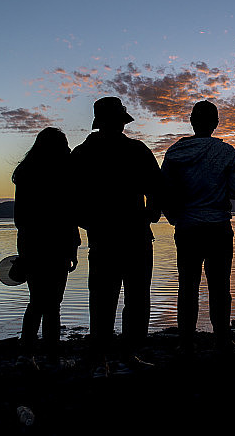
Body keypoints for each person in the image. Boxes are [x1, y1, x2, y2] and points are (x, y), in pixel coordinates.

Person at [71, 97, 162, 353]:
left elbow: (71, 200)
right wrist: (149, 215)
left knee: (104, 301)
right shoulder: (135, 150)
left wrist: (90, 223)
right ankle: (127, 354)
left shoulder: (82, 153)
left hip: (108, 239)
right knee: (135, 300)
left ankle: (105, 358)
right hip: (132, 238)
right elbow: (157, 188)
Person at [162, 100, 235, 354]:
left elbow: (164, 191)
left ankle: (186, 343)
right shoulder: (228, 153)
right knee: (220, 287)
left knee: (187, 287)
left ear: (192, 122)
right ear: (216, 123)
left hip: (187, 227)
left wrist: (175, 218)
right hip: (218, 227)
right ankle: (223, 341)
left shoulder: (175, 152)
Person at [12, 127, 80, 353]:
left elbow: (20, 218)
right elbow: (69, 215)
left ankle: (30, 353)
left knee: (38, 302)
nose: (68, 149)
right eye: (64, 145)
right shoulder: (63, 176)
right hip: (55, 245)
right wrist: (73, 248)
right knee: (51, 304)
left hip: (32, 244)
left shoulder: (25, 173)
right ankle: (49, 354)